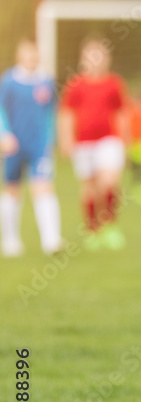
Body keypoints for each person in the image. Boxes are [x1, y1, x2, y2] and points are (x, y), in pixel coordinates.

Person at [59, 36, 131, 250]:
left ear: (107, 59)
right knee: (89, 188)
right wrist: (65, 138)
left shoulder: (114, 83)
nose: (95, 60)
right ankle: (93, 230)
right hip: (83, 142)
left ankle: (110, 226)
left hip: (109, 140)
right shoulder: (76, 85)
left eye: (100, 55)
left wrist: (126, 140)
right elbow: (66, 114)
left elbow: (122, 113)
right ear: (83, 59)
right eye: (91, 55)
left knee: (108, 182)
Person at [0, 39, 63, 257]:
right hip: (14, 145)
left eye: (34, 54)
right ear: (19, 56)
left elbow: (51, 114)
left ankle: (51, 240)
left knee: (43, 187)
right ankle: (10, 240)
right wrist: (4, 134)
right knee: (12, 190)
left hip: (39, 146)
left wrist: (51, 141)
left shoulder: (46, 82)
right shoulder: (8, 81)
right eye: (27, 54)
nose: (31, 58)